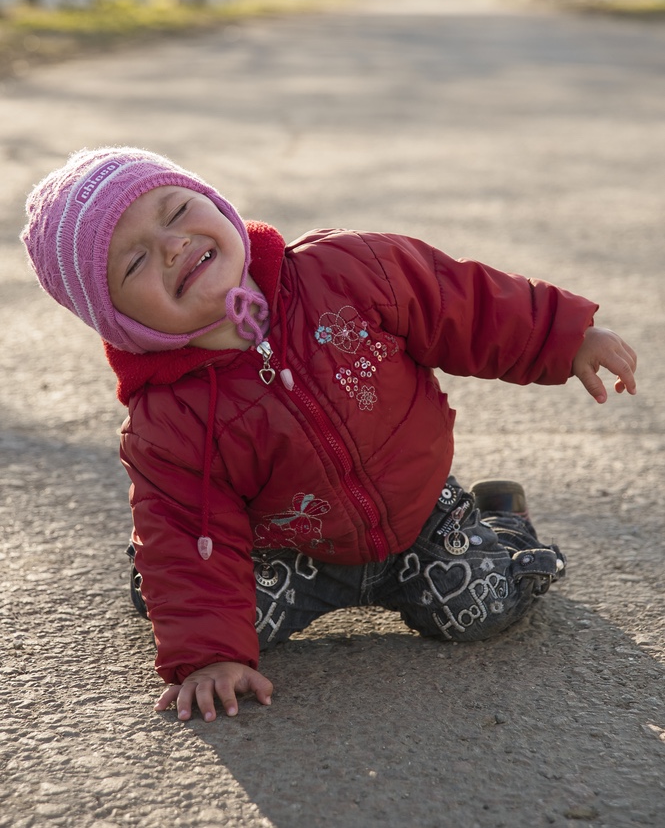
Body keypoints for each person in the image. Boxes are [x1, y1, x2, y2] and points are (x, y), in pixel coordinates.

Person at [21, 147, 637, 723]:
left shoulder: (349, 271)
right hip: (295, 552)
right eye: (134, 261)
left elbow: (463, 303)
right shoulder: (167, 422)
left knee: (480, 606)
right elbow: (191, 522)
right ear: (120, 321)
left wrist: (564, 337)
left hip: (420, 519)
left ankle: (499, 520)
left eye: (177, 211)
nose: (174, 244)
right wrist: (209, 656)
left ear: (217, 205)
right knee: (204, 601)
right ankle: (164, 580)